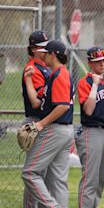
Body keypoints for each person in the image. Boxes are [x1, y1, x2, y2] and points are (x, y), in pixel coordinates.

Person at [22, 40, 74, 207]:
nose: (42, 55)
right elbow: (37, 103)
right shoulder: (57, 74)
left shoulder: (59, 75)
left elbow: (63, 106)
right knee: (58, 180)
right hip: (63, 131)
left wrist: (40, 124)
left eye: (46, 52)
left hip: (55, 130)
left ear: (53, 55)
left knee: (30, 173)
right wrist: (29, 80)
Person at [76, 46, 104, 207]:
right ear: (90, 63)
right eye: (98, 61)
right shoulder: (85, 82)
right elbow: (88, 109)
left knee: (99, 182)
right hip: (91, 134)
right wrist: (94, 85)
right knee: (90, 181)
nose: (102, 64)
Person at [21, 30, 51, 207]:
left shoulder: (45, 67)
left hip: (43, 122)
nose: (45, 51)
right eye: (41, 48)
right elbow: (38, 101)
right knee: (35, 173)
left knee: (42, 173)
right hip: (35, 121)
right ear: (32, 49)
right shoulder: (33, 68)